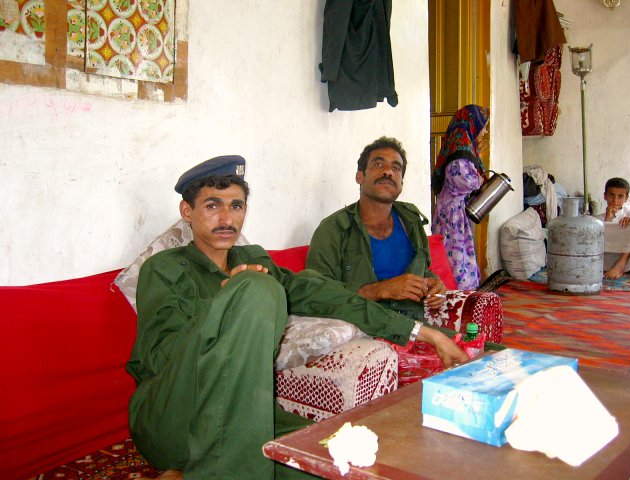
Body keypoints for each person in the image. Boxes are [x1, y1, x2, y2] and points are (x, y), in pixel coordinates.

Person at [127, 155, 468, 480]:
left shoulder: (254, 259)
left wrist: (425, 333)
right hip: (172, 415)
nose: (227, 219)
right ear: (187, 211)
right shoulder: (165, 269)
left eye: (237, 206)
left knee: (342, 458)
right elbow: (161, 358)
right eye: (212, 205)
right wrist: (229, 302)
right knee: (257, 289)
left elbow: (330, 297)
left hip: (244, 415)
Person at [306, 136, 447, 322]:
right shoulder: (333, 229)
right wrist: (380, 290)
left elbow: (423, 270)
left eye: (396, 168)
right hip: (361, 326)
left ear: (401, 184)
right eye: (379, 164)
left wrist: (434, 284)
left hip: (414, 323)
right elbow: (317, 293)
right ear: (360, 176)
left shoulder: (411, 221)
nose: (388, 171)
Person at [431, 104, 489, 290]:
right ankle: (456, 293)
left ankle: (460, 291)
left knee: (459, 253)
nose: (485, 131)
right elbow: (460, 178)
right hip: (452, 213)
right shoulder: (460, 149)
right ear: (474, 124)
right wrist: (480, 180)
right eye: (484, 126)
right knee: (455, 256)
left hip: (455, 211)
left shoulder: (465, 146)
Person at [594, 177, 630, 279]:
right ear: (605, 196)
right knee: (597, 227)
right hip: (606, 259)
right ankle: (618, 266)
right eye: (611, 195)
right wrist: (608, 219)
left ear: (626, 198)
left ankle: (621, 265)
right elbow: (596, 241)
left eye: (620, 196)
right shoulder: (596, 219)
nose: (615, 200)